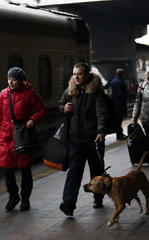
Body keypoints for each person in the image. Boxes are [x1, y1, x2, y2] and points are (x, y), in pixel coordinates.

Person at [0, 67, 47, 211]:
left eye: (14, 79)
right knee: (7, 170)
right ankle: (13, 196)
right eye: (9, 79)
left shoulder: (29, 94)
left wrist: (33, 119)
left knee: (25, 170)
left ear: (21, 81)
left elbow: (42, 110)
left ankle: (25, 198)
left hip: (22, 136)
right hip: (5, 137)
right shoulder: (3, 94)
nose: (10, 82)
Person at [58, 62, 109, 216]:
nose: (76, 77)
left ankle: (98, 198)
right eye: (74, 74)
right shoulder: (70, 91)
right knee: (74, 172)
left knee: (97, 171)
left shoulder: (96, 92)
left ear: (87, 75)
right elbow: (60, 104)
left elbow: (102, 113)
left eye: (79, 74)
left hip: (93, 140)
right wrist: (63, 108)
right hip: (75, 140)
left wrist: (101, 131)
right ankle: (69, 203)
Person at [111, 69, 127, 140]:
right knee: (119, 120)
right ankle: (119, 135)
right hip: (119, 103)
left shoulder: (113, 81)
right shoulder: (120, 82)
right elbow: (120, 93)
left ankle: (120, 133)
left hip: (114, 102)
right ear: (122, 74)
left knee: (117, 120)